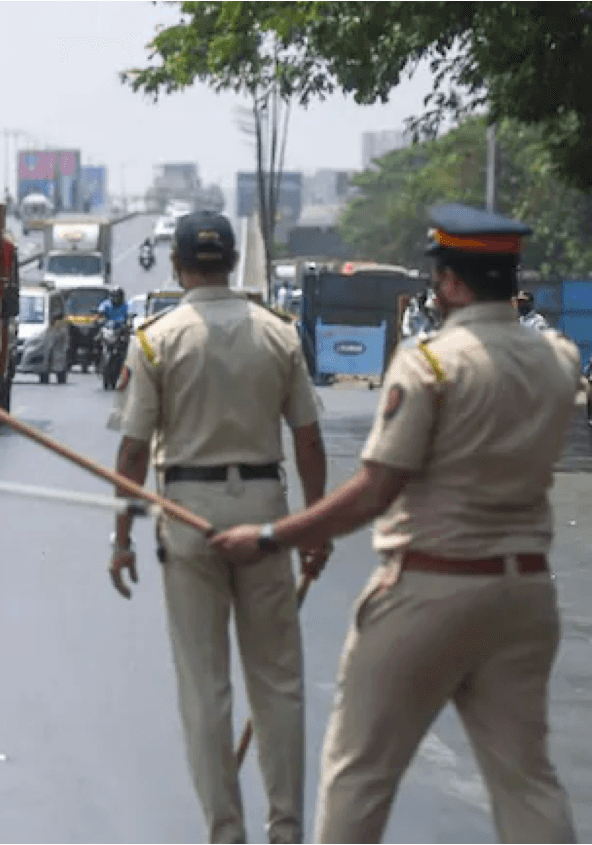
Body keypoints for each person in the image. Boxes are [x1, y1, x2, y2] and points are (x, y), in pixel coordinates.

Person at [211, 203, 582, 845]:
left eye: (439, 280)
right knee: (528, 782)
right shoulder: (559, 360)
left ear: (452, 284)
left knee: (359, 774)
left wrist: (275, 536)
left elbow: (376, 489)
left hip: (430, 592)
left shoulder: (430, 365)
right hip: (526, 594)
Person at [111, 210, 330, 845]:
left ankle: (225, 832)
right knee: (279, 685)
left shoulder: (156, 339)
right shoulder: (279, 334)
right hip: (266, 512)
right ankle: (287, 829)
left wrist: (121, 538)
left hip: (188, 516)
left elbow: (131, 454)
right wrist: (314, 528)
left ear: (178, 268)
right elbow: (309, 442)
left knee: (205, 690)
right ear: (231, 264)